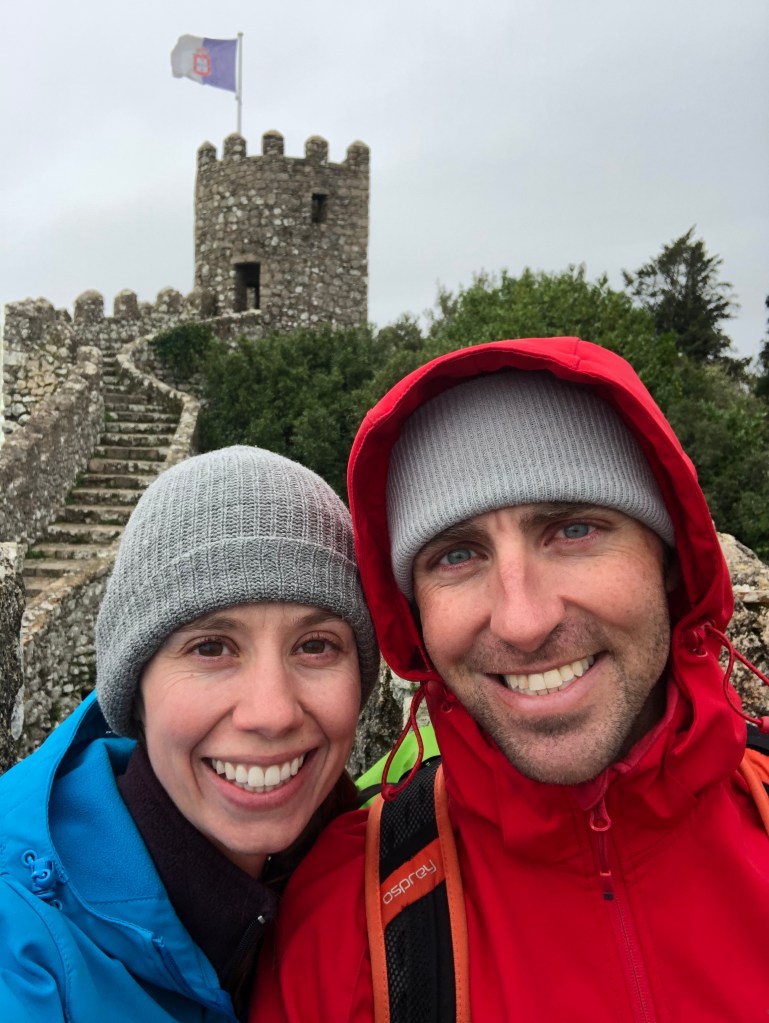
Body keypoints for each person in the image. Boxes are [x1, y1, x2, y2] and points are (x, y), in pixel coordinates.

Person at [253, 338, 769, 1022]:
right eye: (457, 554)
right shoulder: (340, 924)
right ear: (414, 617)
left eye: (574, 529)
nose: (523, 620)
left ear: (671, 561)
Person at [0, 445, 379, 1022]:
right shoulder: (23, 946)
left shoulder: (366, 874)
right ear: (137, 689)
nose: (272, 712)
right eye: (211, 648)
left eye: (315, 645)